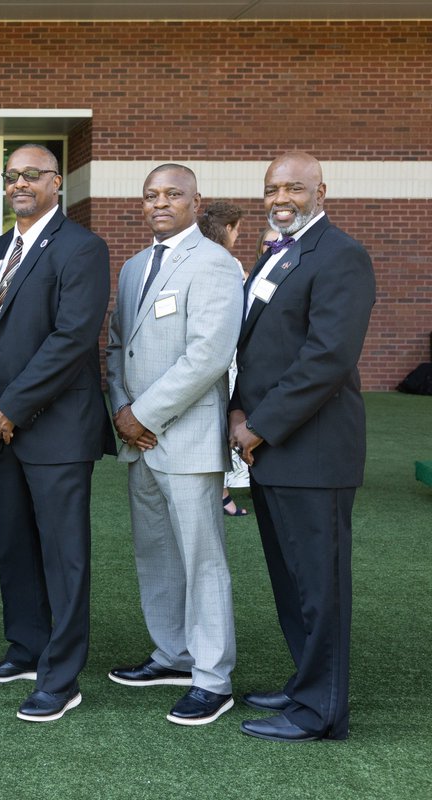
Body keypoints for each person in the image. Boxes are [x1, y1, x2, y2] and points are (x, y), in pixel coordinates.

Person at [0, 145, 115, 723]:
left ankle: (61, 675)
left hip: (55, 429)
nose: (20, 183)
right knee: (15, 544)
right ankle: (26, 648)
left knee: (63, 553)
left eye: (32, 175)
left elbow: (72, 338)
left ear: (57, 183)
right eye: (11, 176)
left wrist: (13, 407)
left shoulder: (82, 247)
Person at [231, 152, 374, 743]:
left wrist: (258, 425)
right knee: (291, 582)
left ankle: (322, 712)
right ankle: (306, 682)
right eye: (271, 188)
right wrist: (238, 407)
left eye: (293, 187)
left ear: (321, 190)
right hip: (273, 450)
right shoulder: (278, 253)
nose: (280, 197)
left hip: (312, 451)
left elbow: (327, 359)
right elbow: (258, 347)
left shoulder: (341, 255)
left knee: (319, 587)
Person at [105, 164, 244, 727]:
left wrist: (143, 413)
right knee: (156, 555)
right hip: (139, 441)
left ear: (195, 201)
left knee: (202, 560)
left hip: (183, 438)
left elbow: (209, 357)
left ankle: (213, 679)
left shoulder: (215, 263)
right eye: (150, 196)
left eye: (172, 194)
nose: (159, 203)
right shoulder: (136, 267)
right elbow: (116, 345)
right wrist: (122, 411)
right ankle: (173, 656)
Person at [198, 200, 252, 516]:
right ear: (229, 228)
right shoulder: (226, 263)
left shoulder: (197, 257)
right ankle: (220, 491)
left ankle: (219, 489)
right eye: (238, 229)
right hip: (225, 353)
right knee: (220, 419)